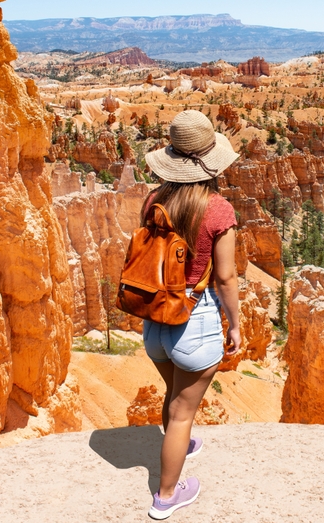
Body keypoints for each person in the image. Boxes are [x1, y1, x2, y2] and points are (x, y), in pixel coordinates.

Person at [140, 110, 242, 520]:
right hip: (193, 322)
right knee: (183, 414)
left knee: (174, 393)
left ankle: (179, 443)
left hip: (155, 319)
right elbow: (227, 277)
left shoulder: (153, 199)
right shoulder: (217, 210)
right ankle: (167, 495)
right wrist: (234, 324)